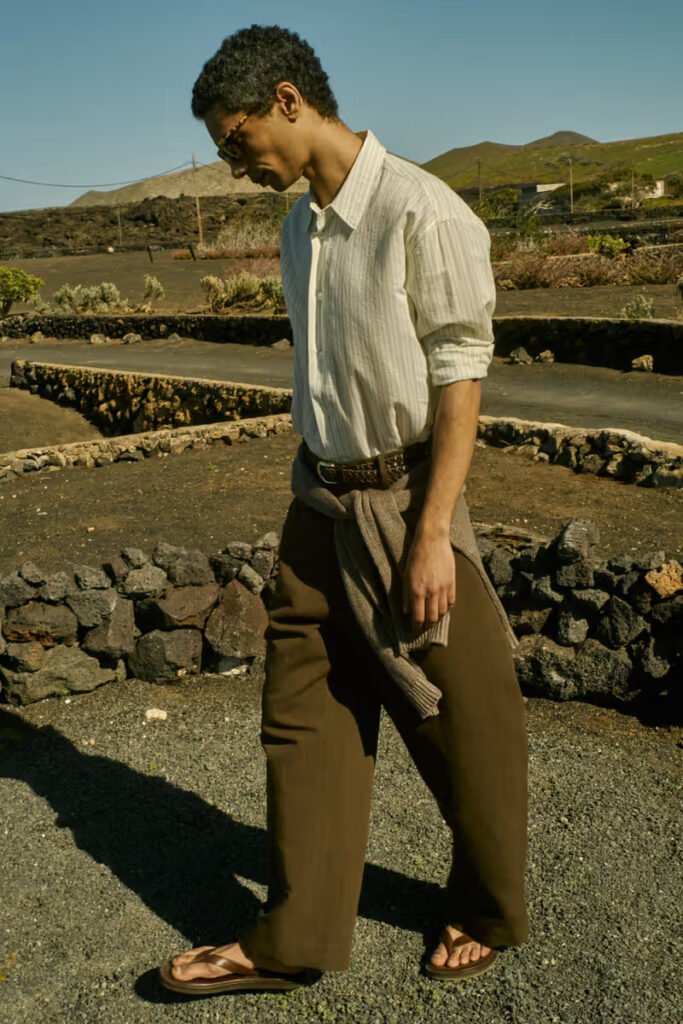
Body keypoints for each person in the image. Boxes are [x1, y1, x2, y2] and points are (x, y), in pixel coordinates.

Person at [159, 24, 528, 997]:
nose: (236, 166)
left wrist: (430, 530)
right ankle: (294, 934)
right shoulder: (294, 228)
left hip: (405, 496)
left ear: (288, 100)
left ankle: (489, 904)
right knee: (303, 717)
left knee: (465, 711)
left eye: (237, 141)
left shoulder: (421, 210)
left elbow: (459, 374)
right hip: (315, 498)